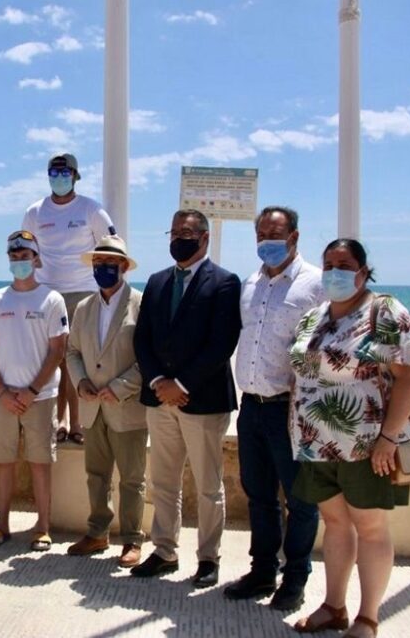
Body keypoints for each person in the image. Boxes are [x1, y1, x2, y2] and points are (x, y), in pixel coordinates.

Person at [290, 239, 410, 638]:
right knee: (334, 524)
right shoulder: (314, 317)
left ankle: (368, 618)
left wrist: (388, 438)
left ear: (363, 272)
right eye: (329, 264)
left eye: (344, 264)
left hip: (368, 446)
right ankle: (334, 606)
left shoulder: (385, 312)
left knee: (370, 528)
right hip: (317, 442)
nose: (335, 271)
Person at [131, 209, 241, 587]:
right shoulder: (158, 281)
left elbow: (221, 343)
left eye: (187, 232)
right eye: (174, 231)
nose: (179, 238)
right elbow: (141, 338)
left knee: (209, 486)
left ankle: (208, 558)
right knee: (163, 480)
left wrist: (182, 384)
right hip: (159, 398)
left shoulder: (225, 282)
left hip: (204, 401)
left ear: (204, 238)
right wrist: (160, 380)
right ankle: (164, 550)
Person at [223, 206, 323, 610]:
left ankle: (295, 578)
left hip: (290, 409)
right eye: (261, 233)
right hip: (251, 407)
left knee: (300, 500)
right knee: (259, 494)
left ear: (295, 237)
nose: (267, 240)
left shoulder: (314, 284)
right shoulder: (251, 283)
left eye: (276, 234)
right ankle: (263, 570)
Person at [0, 230, 68, 551]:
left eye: (25, 255)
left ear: (37, 259)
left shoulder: (52, 299)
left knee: (40, 462)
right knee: (3, 462)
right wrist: (2, 391)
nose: (20, 261)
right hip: (0, 397)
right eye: (14, 256)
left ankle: (42, 527)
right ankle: (1, 524)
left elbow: (57, 351)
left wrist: (31, 390)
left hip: (40, 398)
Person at [22, 153, 117, 445]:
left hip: (84, 293)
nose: (59, 178)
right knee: (53, 360)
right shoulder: (35, 212)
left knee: (77, 361)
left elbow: (112, 246)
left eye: (65, 174)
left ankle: (78, 423)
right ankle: (58, 420)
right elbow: (25, 248)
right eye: (54, 173)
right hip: (46, 295)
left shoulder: (92, 210)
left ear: (75, 176)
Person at [64, 235, 147, 568]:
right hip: (91, 406)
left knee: (131, 478)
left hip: (126, 407)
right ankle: (97, 532)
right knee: (96, 474)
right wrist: (80, 380)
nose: (103, 269)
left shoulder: (141, 304)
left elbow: (149, 358)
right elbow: (72, 352)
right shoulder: (84, 308)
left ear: (124, 267)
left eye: (110, 263)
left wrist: (120, 386)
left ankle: (132, 539)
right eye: (98, 263)